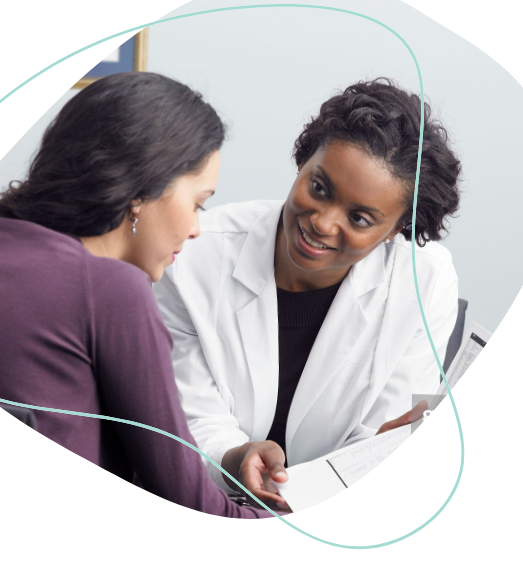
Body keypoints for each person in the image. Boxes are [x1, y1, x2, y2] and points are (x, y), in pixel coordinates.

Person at [0, 72, 276, 518]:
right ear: (144, 190)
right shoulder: (111, 291)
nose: (195, 228)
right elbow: (186, 494)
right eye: (197, 203)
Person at [152, 78, 462, 510]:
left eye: (359, 218)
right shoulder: (194, 251)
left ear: (396, 231)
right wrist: (234, 456)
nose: (323, 222)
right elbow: (185, 409)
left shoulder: (426, 280)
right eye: (319, 188)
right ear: (303, 161)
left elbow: (380, 437)